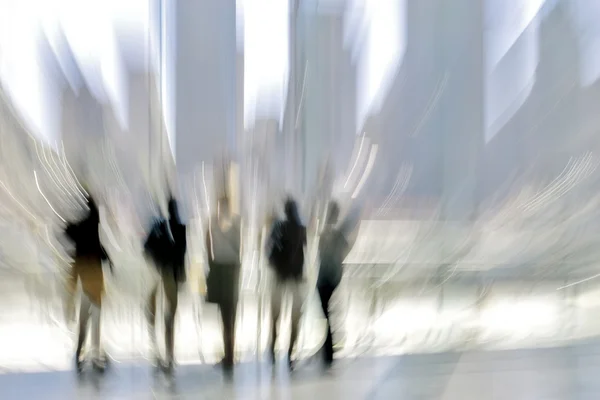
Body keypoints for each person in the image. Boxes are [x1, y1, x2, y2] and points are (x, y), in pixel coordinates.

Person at [64, 194, 110, 373]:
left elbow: (67, 231)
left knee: (84, 320)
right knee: (96, 320)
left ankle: (79, 351)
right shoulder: (94, 232)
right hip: (96, 284)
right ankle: (95, 354)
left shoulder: (81, 231)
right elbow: (103, 255)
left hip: (84, 281)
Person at [144, 196, 187, 374]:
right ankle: (170, 354)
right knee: (170, 314)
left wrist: (155, 264)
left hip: (158, 273)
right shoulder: (181, 228)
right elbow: (183, 252)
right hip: (172, 275)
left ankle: (157, 352)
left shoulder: (158, 225)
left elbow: (146, 248)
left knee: (154, 312)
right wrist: (182, 275)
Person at [267, 199, 307, 370]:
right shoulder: (301, 230)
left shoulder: (278, 227)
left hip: (279, 277)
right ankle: (290, 354)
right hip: (295, 279)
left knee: (275, 316)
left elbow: (268, 250)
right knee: (295, 318)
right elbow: (303, 254)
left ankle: (272, 351)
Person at [205, 195, 242, 374]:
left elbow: (209, 244)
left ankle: (229, 356)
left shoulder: (226, 223)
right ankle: (229, 355)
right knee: (228, 318)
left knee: (228, 318)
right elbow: (239, 250)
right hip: (226, 272)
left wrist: (212, 262)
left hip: (224, 271)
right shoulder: (229, 224)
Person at [316, 201, 354, 368]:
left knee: (326, 314)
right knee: (327, 313)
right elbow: (346, 248)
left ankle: (327, 351)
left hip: (324, 278)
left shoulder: (324, 234)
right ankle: (328, 349)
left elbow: (320, 254)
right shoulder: (337, 235)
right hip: (333, 277)